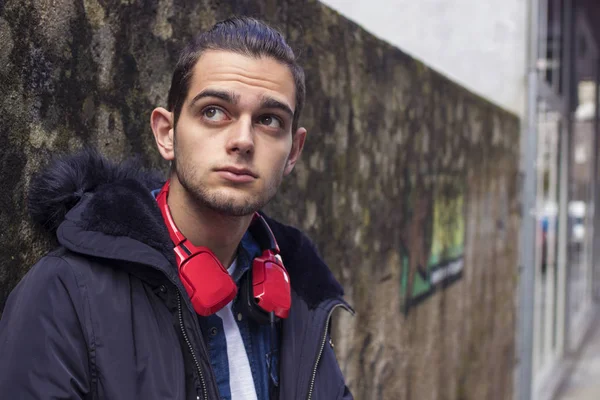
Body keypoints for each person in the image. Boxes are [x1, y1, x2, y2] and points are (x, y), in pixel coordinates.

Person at [0, 17, 353, 400]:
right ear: (167, 134)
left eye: (269, 120)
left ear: (293, 152)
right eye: (214, 111)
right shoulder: (65, 291)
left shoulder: (304, 294)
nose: (242, 140)